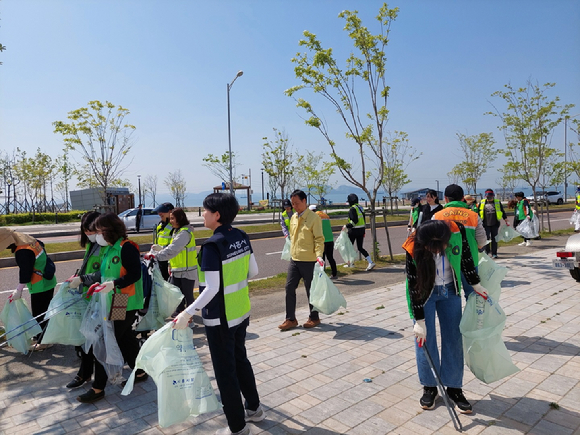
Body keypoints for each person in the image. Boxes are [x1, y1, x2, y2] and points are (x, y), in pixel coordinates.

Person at [172, 193, 265, 435]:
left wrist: (187, 313)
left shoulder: (213, 246)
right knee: (241, 361)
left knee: (225, 374)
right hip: (240, 312)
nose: (201, 214)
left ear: (217, 215)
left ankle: (237, 427)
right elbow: (252, 271)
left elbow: (211, 288)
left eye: (204, 210)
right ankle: (254, 410)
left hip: (220, 319)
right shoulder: (241, 236)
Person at [403, 219, 486, 414]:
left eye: (442, 245)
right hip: (425, 294)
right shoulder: (412, 246)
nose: (440, 250)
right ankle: (430, 386)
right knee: (425, 339)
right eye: (434, 248)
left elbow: (466, 260)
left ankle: (454, 388)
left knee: (453, 339)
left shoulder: (457, 233)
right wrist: (420, 321)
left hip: (450, 291)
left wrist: (476, 284)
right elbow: (414, 286)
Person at [73, 212, 146, 403]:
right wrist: (82, 280)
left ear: (108, 230)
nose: (96, 235)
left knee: (105, 340)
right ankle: (140, 371)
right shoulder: (109, 249)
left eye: (99, 231)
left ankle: (98, 388)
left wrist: (115, 284)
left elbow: (135, 274)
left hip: (124, 301)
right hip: (112, 300)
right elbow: (103, 273)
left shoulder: (126, 247)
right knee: (124, 338)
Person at [0, 228, 56, 351]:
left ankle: (44, 341)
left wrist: (18, 290)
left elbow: (26, 271)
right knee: (44, 310)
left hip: (40, 283)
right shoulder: (29, 241)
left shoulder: (22, 251)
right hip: (47, 278)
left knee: (39, 312)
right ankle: (42, 336)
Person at [65, 211, 104, 389]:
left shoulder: (108, 246)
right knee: (89, 338)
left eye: (91, 230)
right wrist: (78, 276)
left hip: (105, 300)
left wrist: (82, 279)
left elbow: (105, 274)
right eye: (85, 230)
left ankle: (138, 370)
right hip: (89, 298)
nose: (88, 234)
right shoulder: (92, 245)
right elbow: (88, 267)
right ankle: (86, 373)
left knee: (105, 339)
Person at [278, 190, 325, 331]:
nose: (295, 206)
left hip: (309, 260)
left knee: (311, 290)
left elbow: (319, 239)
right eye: (293, 204)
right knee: (289, 287)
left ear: (305, 201)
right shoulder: (293, 217)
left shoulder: (314, 218)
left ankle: (314, 317)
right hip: (295, 259)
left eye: (297, 203)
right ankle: (291, 319)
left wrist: (319, 256)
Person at [433, 184, 487, 297]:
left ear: (446, 198)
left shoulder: (437, 216)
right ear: (463, 198)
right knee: (472, 294)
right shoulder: (473, 216)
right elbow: (482, 241)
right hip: (471, 260)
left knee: (451, 295)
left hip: (447, 262)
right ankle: (471, 315)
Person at [146, 207, 198, 317]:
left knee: (187, 295)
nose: (171, 221)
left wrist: (157, 256)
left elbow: (173, 249)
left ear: (180, 218)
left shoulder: (184, 233)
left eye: (173, 218)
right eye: (170, 218)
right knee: (176, 295)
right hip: (177, 269)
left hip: (187, 270)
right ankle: (180, 314)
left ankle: (189, 318)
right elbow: (170, 247)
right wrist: (159, 249)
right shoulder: (177, 231)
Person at [344, 193, 376, 271]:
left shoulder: (352, 209)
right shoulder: (360, 207)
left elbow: (354, 221)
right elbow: (363, 219)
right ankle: (370, 262)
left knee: (349, 247)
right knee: (360, 247)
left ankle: (350, 263)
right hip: (361, 230)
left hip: (354, 230)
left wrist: (346, 226)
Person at [477, 189, 510, 258]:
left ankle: (494, 253)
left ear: (493, 196)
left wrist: (506, 219)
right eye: (488, 197)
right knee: (486, 239)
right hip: (485, 224)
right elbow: (477, 212)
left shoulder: (497, 202)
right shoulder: (482, 203)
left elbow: (502, 211)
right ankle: (487, 251)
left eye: (491, 197)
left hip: (495, 224)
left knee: (494, 239)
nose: (489, 199)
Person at [310, 204, 338, 280]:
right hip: (330, 239)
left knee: (321, 258)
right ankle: (334, 274)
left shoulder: (314, 216)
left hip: (322, 240)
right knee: (330, 257)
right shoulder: (325, 215)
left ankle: (322, 275)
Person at [152, 202, 174, 280]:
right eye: (159, 212)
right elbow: (157, 242)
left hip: (169, 260)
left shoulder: (174, 226)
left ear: (170, 212)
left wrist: (170, 265)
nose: (160, 213)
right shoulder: (160, 225)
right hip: (160, 259)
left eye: (163, 211)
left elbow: (175, 246)